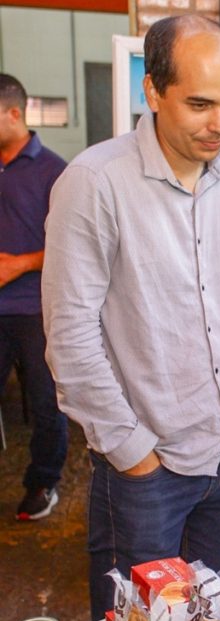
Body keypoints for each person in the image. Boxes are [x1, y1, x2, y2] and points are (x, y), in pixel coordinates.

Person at [42, 15, 220, 621]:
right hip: (147, 472)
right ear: (152, 90)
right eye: (200, 104)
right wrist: (133, 453)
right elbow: (70, 336)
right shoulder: (94, 182)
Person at [0, 73, 69, 521]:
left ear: (14, 113)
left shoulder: (54, 171)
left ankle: (43, 483)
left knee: (47, 404)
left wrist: (19, 263)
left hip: (35, 310)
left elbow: (72, 247)